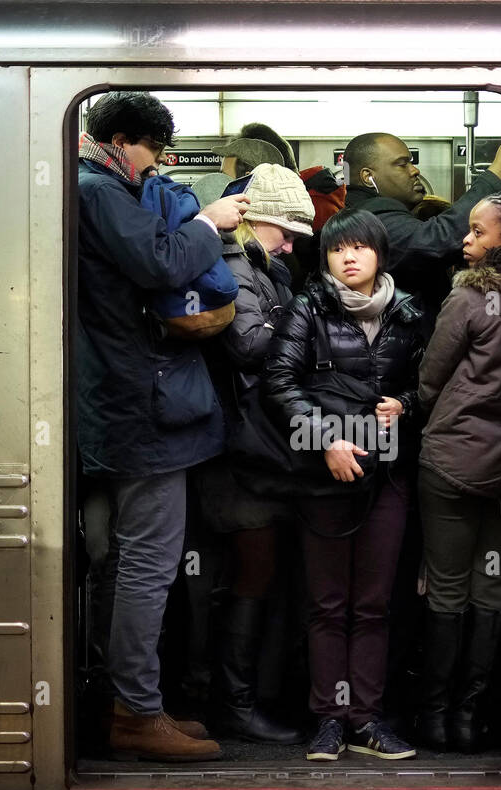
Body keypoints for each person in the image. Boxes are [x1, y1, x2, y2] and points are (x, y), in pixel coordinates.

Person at [76, 91, 250, 762]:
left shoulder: (97, 186)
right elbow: (164, 264)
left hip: (125, 402)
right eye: (149, 158)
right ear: (124, 140)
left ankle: (129, 700)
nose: (152, 173)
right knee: (148, 564)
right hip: (141, 406)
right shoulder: (100, 191)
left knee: (123, 563)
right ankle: (135, 713)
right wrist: (206, 221)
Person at [262, 208, 425, 762]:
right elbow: (278, 383)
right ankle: (330, 720)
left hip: (389, 473)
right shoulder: (308, 308)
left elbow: (430, 387)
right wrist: (326, 438)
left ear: (380, 254)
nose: (348, 257)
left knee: (375, 604)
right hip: (325, 473)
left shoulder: (408, 313)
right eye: (336, 250)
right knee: (328, 602)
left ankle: (368, 721)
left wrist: (406, 404)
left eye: (359, 247)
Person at [198, 164, 316, 743]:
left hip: (253, 446)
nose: (292, 245)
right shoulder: (230, 263)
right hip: (240, 450)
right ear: (254, 219)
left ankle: (245, 697)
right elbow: (247, 346)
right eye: (286, 231)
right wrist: (306, 328)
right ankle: (235, 705)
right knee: (252, 573)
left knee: (257, 575)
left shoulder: (260, 265)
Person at [414, 191, 501, 752]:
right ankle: (469, 718)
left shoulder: (469, 297)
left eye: (478, 232)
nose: (466, 239)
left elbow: (432, 378)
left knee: (447, 589)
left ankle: (433, 720)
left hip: (452, 462)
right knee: (493, 589)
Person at [342, 129, 501, 332]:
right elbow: (435, 241)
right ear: (368, 177)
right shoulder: (369, 220)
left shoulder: (379, 215)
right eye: (402, 164)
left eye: (412, 163)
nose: (414, 171)